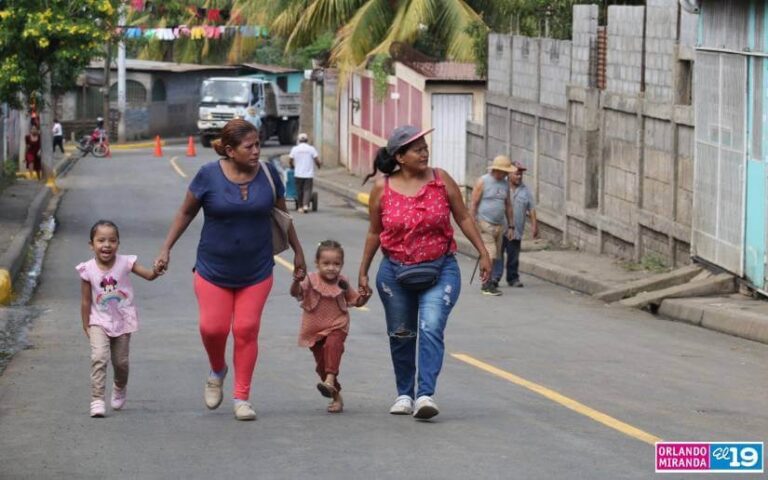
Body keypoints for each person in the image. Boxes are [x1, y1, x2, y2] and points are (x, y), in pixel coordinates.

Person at [154, 119, 306, 421]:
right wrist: (166, 248)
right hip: (213, 268)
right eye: (249, 147)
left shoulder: (268, 173)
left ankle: (242, 397)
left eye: (258, 144)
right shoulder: (208, 175)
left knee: (246, 330)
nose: (256, 151)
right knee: (213, 328)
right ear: (229, 150)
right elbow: (186, 212)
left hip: (257, 269)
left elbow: (283, 216)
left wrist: (299, 253)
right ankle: (217, 369)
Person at [357, 125, 492, 420]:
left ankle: (425, 395)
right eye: (417, 149)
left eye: (425, 147)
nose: (424, 152)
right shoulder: (382, 188)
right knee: (402, 333)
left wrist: (483, 251)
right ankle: (404, 393)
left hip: (441, 268)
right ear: (400, 157)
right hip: (394, 271)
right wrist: (363, 272)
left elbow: (463, 217)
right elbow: (373, 232)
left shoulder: (441, 179)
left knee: (431, 326)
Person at [76, 220, 159, 417]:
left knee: (120, 362)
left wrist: (157, 269)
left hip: (123, 321)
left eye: (112, 240)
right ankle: (97, 399)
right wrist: (86, 324)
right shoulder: (87, 269)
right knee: (99, 357)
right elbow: (86, 301)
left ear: (118, 244)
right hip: (98, 321)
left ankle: (120, 386)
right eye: (101, 240)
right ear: (92, 244)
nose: (106, 245)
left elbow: (148, 275)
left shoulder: (125, 263)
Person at [290, 240, 369, 414]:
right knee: (322, 367)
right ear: (317, 263)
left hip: (337, 324)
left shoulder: (342, 282)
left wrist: (365, 296)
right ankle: (336, 395)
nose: (331, 268)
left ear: (342, 265)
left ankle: (331, 378)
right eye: (326, 263)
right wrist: (296, 281)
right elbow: (296, 293)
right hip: (314, 329)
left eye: (336, 264)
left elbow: (355, 300)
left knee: (333, 347)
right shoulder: (310, 280)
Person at [470, 155, 515, 296]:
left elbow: (508, 205)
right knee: (491, 254)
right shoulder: (483, 181)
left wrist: (511, 226)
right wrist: (473, 223)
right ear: (497, 169)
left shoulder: (505, 184)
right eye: (505, 171)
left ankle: (488, 279)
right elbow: (474, 204)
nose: (507, 174)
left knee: (495, 256)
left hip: (499, 225)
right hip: (484, 223)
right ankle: (486, 284)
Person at [492, 161, 539, 287]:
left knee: (513, 256)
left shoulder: (526, 191)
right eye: (517, 174)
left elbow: (532, 209)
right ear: (509, 174)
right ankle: (495, 277)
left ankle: (513, 278)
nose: (519, 177)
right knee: (498, 254)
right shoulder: (501, 186)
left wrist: (535, 225)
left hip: (516, 229)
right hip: (500, 228)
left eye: (521, 175)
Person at [289, 132, 321, 213]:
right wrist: (319, 165)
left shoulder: (295, 149)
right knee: (307, 189)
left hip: (298, 173)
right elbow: (316, 159)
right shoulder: (311, 149)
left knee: (299, 190)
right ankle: (306, 205)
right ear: (307, 140)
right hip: (308, 174)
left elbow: (290, 160)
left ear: (299, 140)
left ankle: (300, 207)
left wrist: (292, 166)